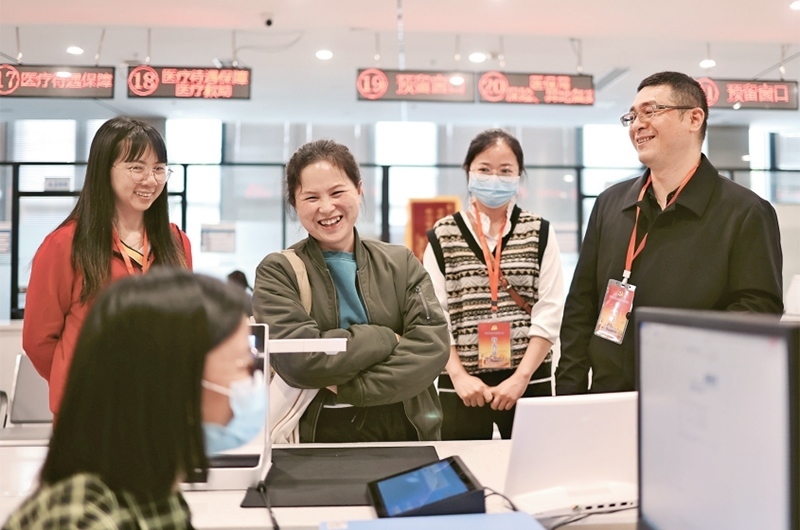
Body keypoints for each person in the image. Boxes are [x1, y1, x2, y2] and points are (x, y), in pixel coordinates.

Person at [556, 71, 783, 395]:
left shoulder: (744, 211)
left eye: (650, 111)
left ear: (694, 118)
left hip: (694, 397)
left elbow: (757, 311)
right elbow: (582, 303)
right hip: (609, 395)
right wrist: (570, 391)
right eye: (632, 116)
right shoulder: (611, 203)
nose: (637, 125)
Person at [3, 268, 264, 529]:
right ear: (174, 382)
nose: (253, 379)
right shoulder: (82, 520)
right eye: (243, 362)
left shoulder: (154, 492)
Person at [253, 139, 450, 443]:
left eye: (337, 192)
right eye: (311, 197)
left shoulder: (400, 263)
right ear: (295, 203)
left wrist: (350, 387)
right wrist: (385, 338)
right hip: (316, 432)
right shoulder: (278, 271)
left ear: (358, 190)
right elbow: (298, 361)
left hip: (405, 427)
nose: (326, 207)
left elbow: (432, 349)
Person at [23, 116, 193, 414]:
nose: (150, 180)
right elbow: (39, 340)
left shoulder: (176, 243)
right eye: (136, 167)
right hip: (89, 412)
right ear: (104, 169)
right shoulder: (65, 245)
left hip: (159, 409)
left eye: (159, 168)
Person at [423, 129, 565, 440]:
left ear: (519, 175)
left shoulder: (540, 231)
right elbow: (434, 315)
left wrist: (521, 378)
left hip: (528, 381)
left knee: (533, 463)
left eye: (505, 171)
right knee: (462, 465)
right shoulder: (442, 235)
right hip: (462, 386)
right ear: (468, 171)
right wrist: (458, 375)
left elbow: (550, 309)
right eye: (484, 170)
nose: (494, 179)